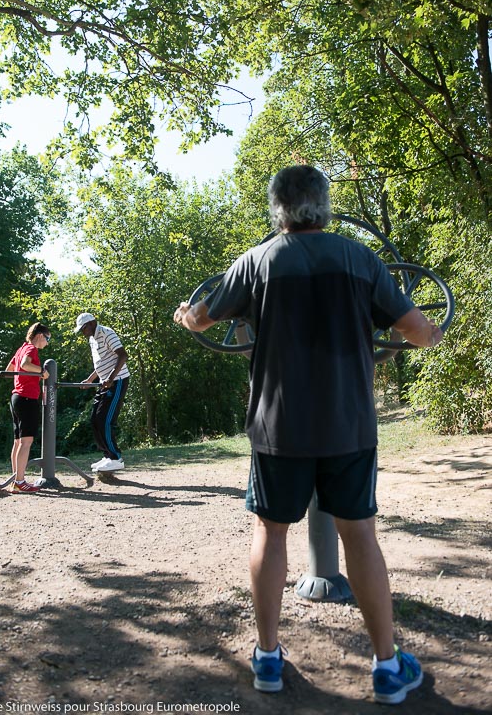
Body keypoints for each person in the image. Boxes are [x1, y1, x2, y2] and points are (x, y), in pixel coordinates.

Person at [174, 165, 443, 704]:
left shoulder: (255, 262)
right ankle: (388, 668)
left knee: (271, 534)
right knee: (361, 535)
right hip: (349, 425)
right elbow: (414, 331)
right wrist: (432, 334)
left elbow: (202, 318)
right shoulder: (360, 258)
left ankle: (268, 658)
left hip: (279, 428)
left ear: (278, 209)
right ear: (323, 205)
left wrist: (186, 316)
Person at [74, 313, 129, 472]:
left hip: (117, 381)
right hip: (104, 383)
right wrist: (90, 379)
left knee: (105, 420)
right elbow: (100, 364)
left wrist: (111, 378)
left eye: (83, 328)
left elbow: (123, 355)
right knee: (95, 419)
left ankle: (116, 458)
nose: (83, 332)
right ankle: (107, 456)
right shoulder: (92, 339)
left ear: (92, 323)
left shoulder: (106, 333)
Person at [5, 322, 51, 493]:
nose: (47, 342)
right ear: (39, 336)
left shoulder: (21, 348)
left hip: (16, 397)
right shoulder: (31, 349)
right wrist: (41, 372)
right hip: (26, 399)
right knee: (26, 441)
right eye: (47, 338)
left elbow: (10, 369)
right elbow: (25, 364)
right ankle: (19, 481)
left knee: (18, 442)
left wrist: (24, 379)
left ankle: (15, 479)